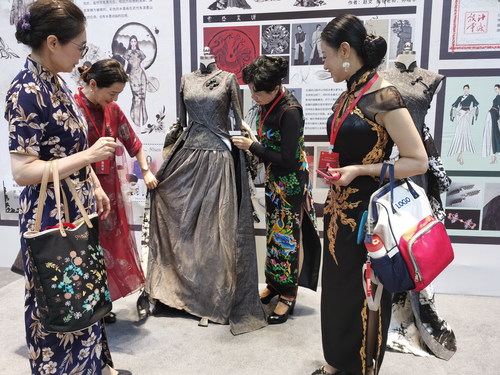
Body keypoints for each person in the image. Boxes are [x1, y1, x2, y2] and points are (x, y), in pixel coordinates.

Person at [5, 1, 123, 374]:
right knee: (58, 302)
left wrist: (93, 185)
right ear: (52, 43)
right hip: (49, 214)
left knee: (83, 298)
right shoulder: (25, 91)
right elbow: (23, 171)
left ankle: (92, 367)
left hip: (76, 206)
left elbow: (67, 150)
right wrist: (87, 158)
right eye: (80, 47)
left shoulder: (55, 82)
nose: (82, 56)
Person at [314, 14, 427, 375]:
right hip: (337, 210)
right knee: (336, 294)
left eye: (326, 54)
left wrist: (361, 170)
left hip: (367, 217)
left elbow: (417, 161)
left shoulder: (383, 96)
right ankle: (337, 365)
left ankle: (361, 370)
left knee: (365, 297)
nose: (324, 62)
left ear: (345, 50)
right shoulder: (349, 93)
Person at [143, 51, 267, 335]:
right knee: (183, 224)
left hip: (219, 157)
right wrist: (166, 162)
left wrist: (250, 151)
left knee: (217, 230)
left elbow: (238, 118)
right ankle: (177, 291)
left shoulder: (228, 79)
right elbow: (180, 122)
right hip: (188, 156)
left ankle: (214, 298)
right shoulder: (186, 79)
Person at [232, 55, 321, 324]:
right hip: (275, 181)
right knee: (274, 235)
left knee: (287, 239)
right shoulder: (268, 104)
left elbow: (288, 158)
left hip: (291, 183)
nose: (254, 97)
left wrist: (253, 147)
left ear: (274, 88)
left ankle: (288, 295)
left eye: (258, 92)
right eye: (251, 91)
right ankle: (274, 283)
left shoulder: (290, 110)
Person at [381, 45, 456, 360]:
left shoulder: (431, 78)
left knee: (416, 237)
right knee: (390, 237)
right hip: (389, 161)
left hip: (418, 164)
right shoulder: (382, 77)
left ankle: (417, 310)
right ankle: (389, 317)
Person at [74, 59, 158, 319]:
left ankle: (102, 302)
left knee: (108, 246)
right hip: (80, 188)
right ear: (93, 84)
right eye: (111, 93)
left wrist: (145, 170)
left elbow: (134, 143)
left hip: (109, 191)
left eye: (118, 94)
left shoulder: (113, 109)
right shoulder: (73, 108)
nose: (114, 99)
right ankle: (82, 305)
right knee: (83, 246)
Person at [448, 84, 479, 165]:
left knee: (465, 131)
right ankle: (459, 154)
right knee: (459, 132)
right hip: (461, 113)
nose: (466, 90)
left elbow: (476, 104)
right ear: (463, 89)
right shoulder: (460, 97)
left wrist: (471, 111)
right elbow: (454, 105)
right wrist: (456, 112)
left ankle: (460, 154)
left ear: (468, 89)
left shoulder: (471, 96)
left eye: (467, 88)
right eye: (464, 88)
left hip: (467, 113)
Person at [123, 35, 148, 131]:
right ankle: (136, 122)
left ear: (137, 42)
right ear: (130, 42)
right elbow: (125, 66)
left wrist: (147, 77)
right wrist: (123, 75)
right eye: (132, 41)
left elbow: (142, 66)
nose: (133, 43)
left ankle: (142, 120)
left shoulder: (140, 53)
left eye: (135, 41)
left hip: (141, 76)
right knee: (136, 98)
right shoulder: (127, 53)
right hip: (133, 77)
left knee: (142, 97)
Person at [482, 84, 500, 164]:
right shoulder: (497, 96)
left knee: (493, 134)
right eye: (494, 89)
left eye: (496, 89)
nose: (495, 90)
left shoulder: (499, 97)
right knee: (490, 134)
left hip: (494, 115)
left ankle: (494, 156)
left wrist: (499, 119)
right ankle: (493, 156)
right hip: (492, 113)